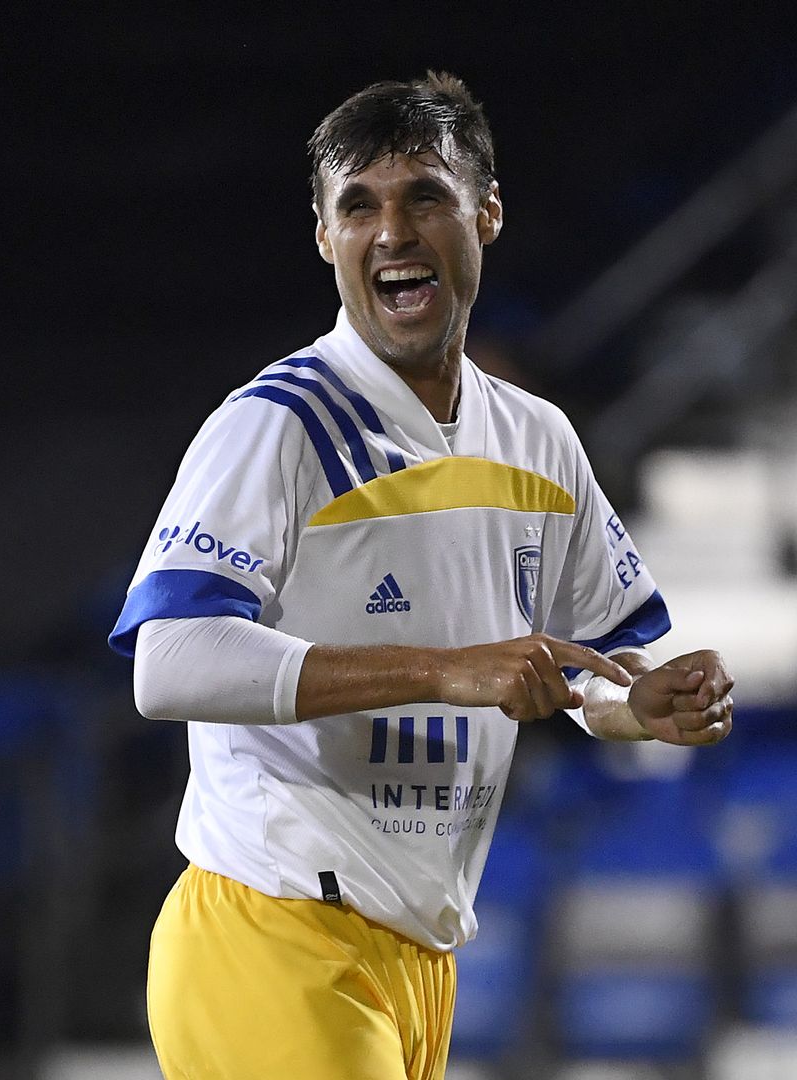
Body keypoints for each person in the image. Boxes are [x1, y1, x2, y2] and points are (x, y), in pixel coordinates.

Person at [108, 72, 736, 1080]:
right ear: (324, 236)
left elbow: (588, 676)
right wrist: (443, 670)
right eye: (358, 205)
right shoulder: (277, 425)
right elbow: (168, 663)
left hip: (417, 956)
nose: (391, 231)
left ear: (485, 214)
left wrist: (642, 703)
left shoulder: (538, 438)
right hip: (271, 932)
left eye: (425, 198)